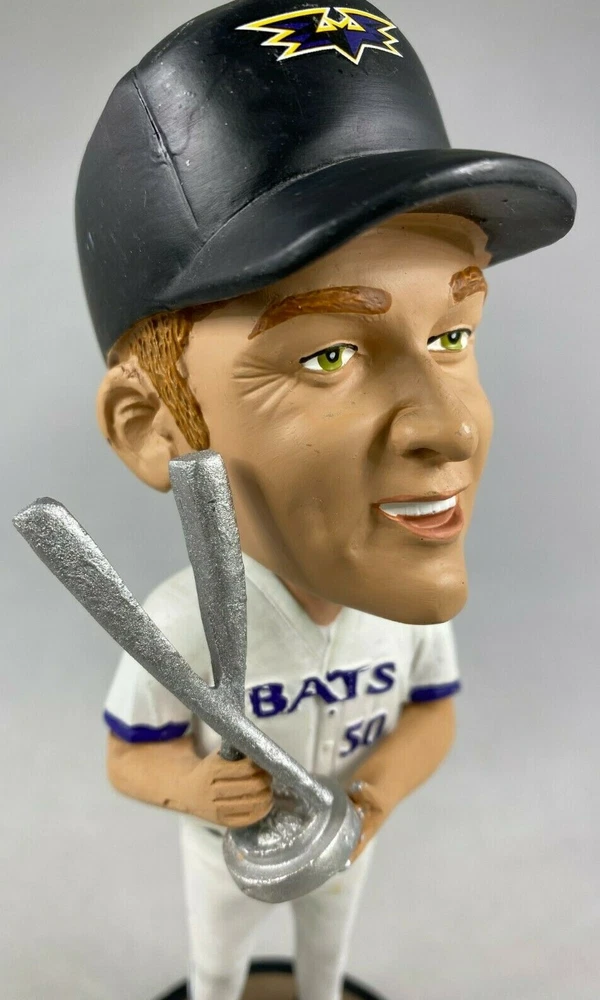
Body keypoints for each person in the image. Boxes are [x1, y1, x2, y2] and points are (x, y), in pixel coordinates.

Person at [74, 2, 576, 997]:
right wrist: (195, 787)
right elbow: (131, 753)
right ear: (151, 426)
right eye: (329, 355)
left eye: (453, 336)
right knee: (216, 964)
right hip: (230, 852)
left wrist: (375, 794)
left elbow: (431, 716)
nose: (452, 428)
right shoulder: (178, 627)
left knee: (327, 960)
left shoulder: (397, 622)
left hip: (342, 838)